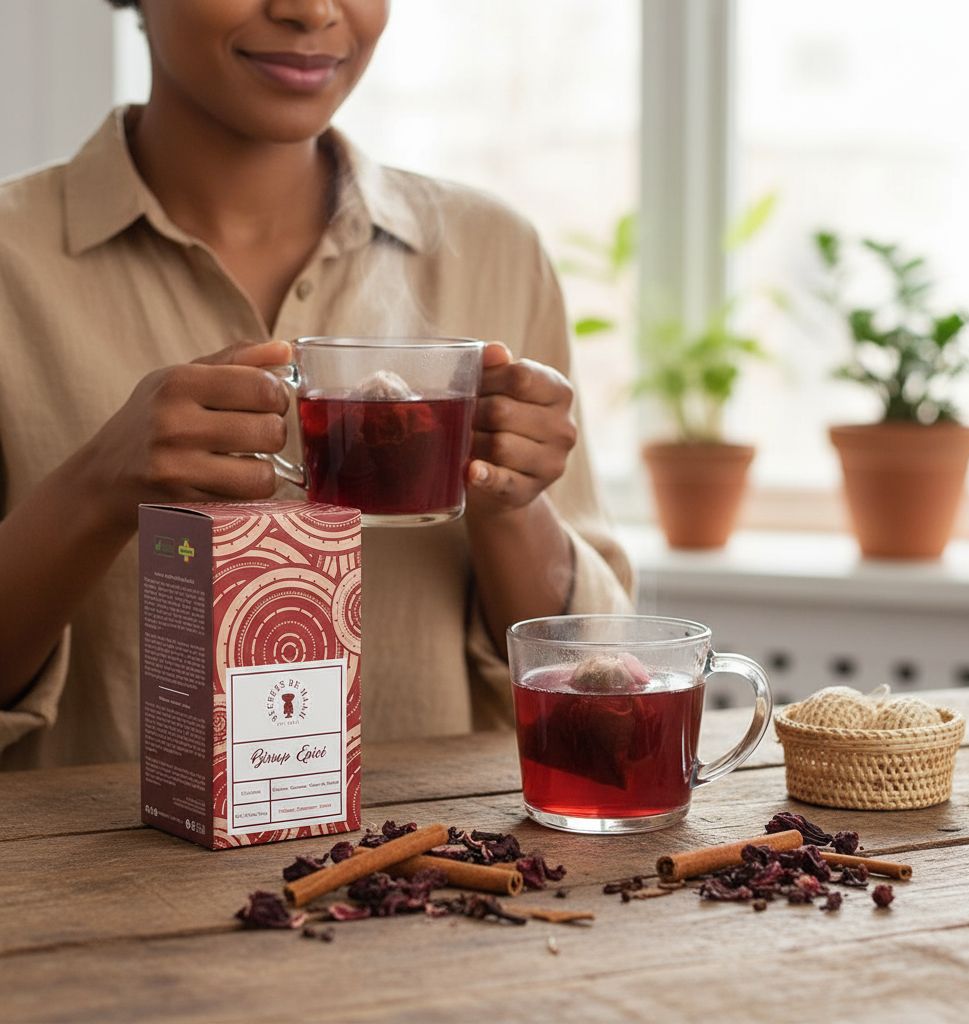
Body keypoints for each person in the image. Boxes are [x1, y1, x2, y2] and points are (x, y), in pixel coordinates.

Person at [0, 0, 633, 769]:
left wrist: (508, 500)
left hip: (425, 872)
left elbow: (595, 686)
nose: (308, 10)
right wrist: (97, 486)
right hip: (103, 878)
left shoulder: (494, 249)